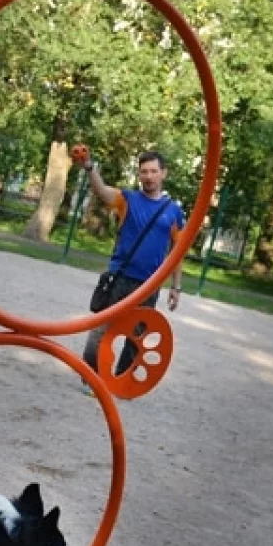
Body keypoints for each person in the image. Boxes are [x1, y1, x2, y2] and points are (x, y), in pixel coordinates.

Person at [78, 149, 186, 379]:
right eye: (144, 171)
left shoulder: (173, 212)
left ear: (163, 173)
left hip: (149, 285)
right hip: (120, 278)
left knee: (136, 338)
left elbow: (178, 252)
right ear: (139, 175)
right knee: (101, 330)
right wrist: (89, 167)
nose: (149, 176)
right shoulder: (127, 199)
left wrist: (176, 287)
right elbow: (101, 190)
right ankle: (91, 377)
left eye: (154, 171)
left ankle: (120, 382)